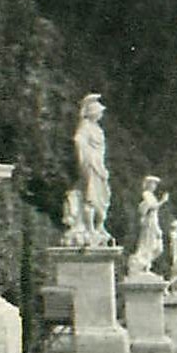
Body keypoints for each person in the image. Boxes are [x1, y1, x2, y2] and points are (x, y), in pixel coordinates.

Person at [73, 94, 112, 244]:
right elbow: (78, 140)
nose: (101, 114)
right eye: (98, 111)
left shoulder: (96, 128)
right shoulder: (86, 126)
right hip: (92, 166)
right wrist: (88, 158)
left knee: (103, 198)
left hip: (99, 166)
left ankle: (99, 226)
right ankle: (90, 228)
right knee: (91, 198)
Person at [127, 174, 169, 277]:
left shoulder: (151, 195)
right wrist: (163, 201)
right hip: (149, 222)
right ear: (148, 184)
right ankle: (142, 265)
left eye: (155, 184)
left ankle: (145, 265)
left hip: (153, 222)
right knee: (148, 244)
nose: (154, 186)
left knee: (157, 247)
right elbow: (152, 206)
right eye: (153, 184)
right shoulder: (147, 194)